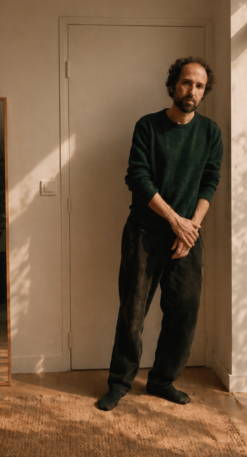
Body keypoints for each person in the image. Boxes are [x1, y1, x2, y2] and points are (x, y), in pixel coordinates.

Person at [97, 56, 223, 411]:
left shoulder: (210, 132)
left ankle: (162, 380)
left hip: (188, 236)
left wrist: (190, 229)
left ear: (204, 91)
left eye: (199, 86)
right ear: (173, 85)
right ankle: (120, 383)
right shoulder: (148, 127)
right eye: (186, 83)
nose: (192, 91)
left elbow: (210, 182)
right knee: (132, 312)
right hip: (144, 232)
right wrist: (175, 222)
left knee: (183, 313)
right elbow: (137, 179)